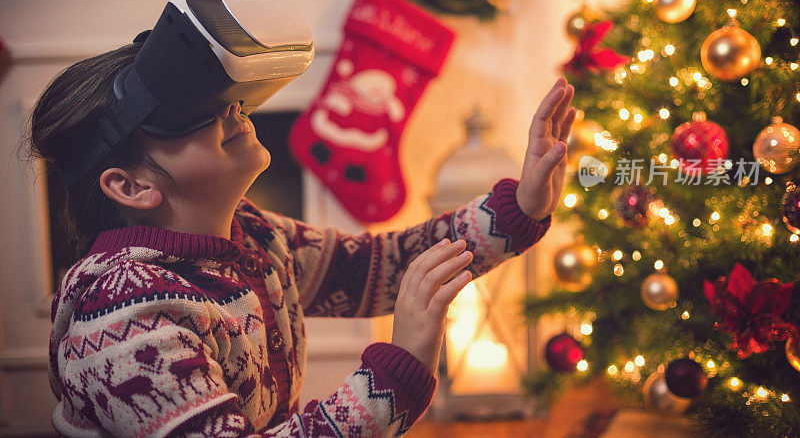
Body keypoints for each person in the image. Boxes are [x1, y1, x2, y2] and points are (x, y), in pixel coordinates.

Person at [29, 38, 575, 437]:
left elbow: (376, 268)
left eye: (221, 96)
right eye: (188, 119)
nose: (229, 108)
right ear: (131, 186)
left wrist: (519, 210)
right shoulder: (122, 320)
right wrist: (398, 366)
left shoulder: (253, 237)